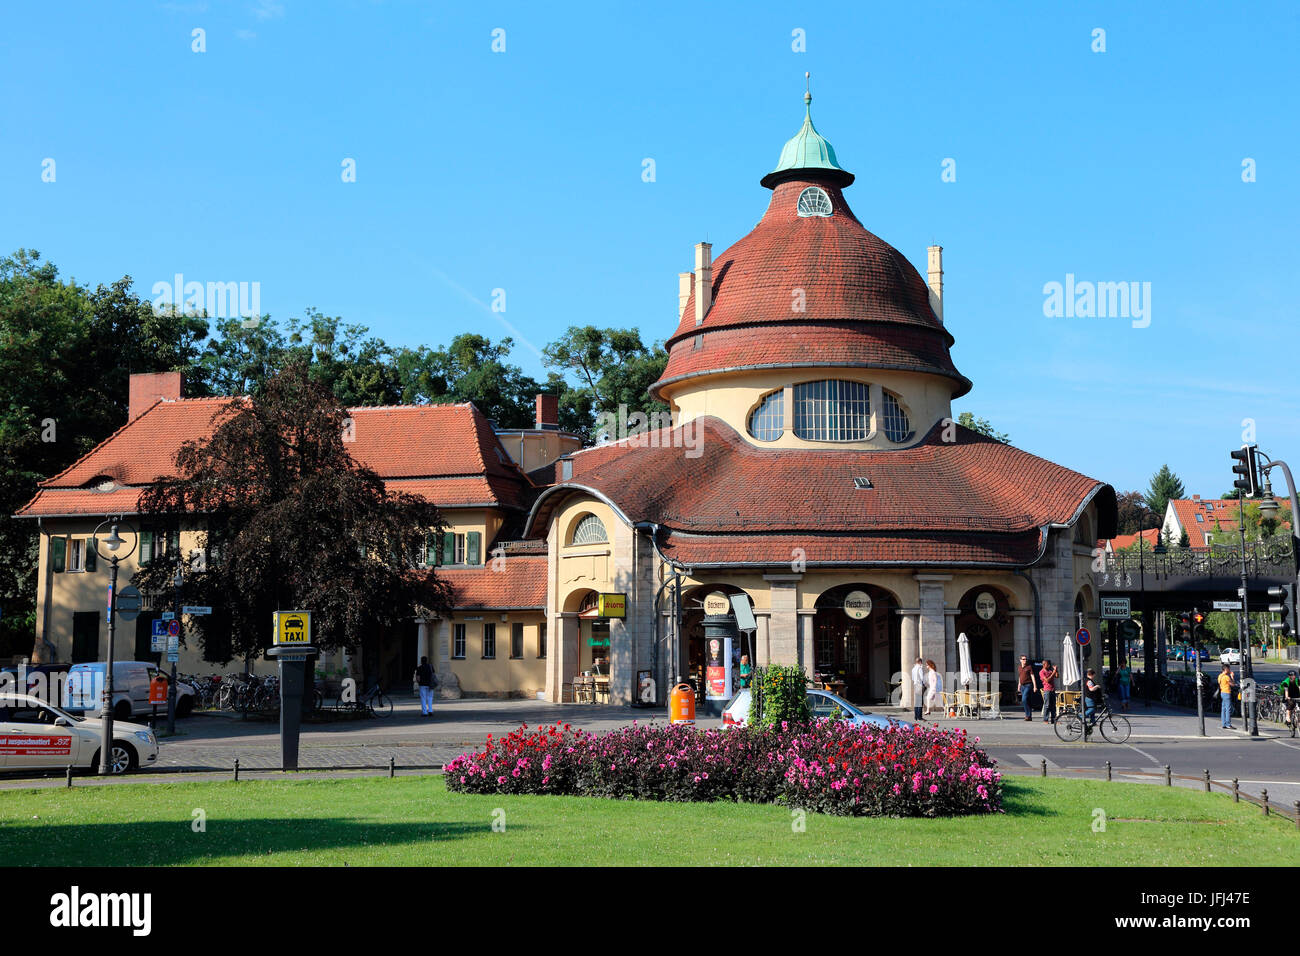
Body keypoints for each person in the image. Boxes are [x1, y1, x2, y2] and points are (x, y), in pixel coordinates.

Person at [1016, 654, 1038, 721]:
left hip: (1028, 685)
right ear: (1020, 660)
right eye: (1023, 659)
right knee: (1027, 701)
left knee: (1024, 699)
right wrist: (1019, 685)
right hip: (1022, 686)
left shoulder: (1029, 667)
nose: (1025, 660)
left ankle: (1028, 715)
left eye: (1026, 659)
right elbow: (1020, 677)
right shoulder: (1019, 667)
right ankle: (1028, 716)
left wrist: (1035, 686)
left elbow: (1032, 676)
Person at [1216, 664, 1237, 730]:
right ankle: (1228, 724)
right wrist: (1232, 676)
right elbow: (1233, 684)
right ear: (1226, 669)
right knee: (1228, 709)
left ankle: (1223, 724)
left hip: (1222, 692)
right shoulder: (1226, 677)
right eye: (1229, 669)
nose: (1230, 670)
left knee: (1223, 709)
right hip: (1227, 693)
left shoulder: (1220, 676)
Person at [1039, 658, 1059, 724]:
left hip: (1052, 690)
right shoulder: (1042, 672)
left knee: (1053, 705)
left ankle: (1054, 719)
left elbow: (1057, 676)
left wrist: (1056, 670)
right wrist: (1053, 672)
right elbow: (1047, 680)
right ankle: (1045, 719)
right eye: (1048, 664)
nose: (1049, 665)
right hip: (1047, 690)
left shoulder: (1050, 671)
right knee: (1047, 705)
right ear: (1044, 665)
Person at [910, 657, 926, 722]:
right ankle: (919, 717)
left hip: (915, 685)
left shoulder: (913, 669)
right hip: (919, 685)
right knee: (920, 702)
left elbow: (913, 678)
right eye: (921, 662)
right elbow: (922, 678)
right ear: (920, 662)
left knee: (917, 701)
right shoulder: (919, 668)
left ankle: (916, 716)